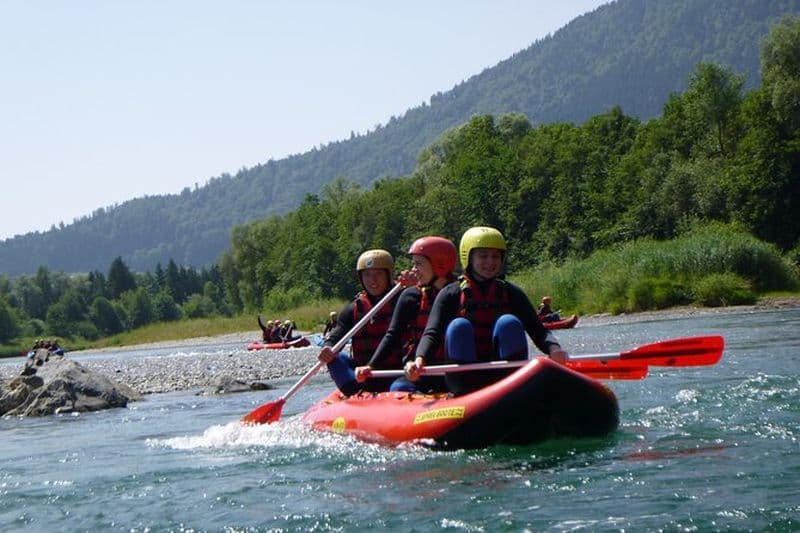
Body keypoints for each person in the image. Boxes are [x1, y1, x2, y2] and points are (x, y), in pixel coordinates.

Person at [406, 226, 567, 395]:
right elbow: (432, 333)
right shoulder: (450, 294)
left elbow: (538, 331)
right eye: (483, 256)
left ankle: (514, 391)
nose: (490, 262)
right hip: (464, 381)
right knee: (458, 326)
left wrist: (554, 349)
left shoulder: (511, 293)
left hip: (505, 378)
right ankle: (465, 394)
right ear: (468, 257)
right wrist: (419, 359)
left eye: (495, 256)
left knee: (509, 323)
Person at [354, 236, 458, 393]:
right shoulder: (411, 296)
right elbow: (393, 335)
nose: (414, 269)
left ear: (439, 265)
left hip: (455, 372)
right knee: (399, 387)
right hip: (419, 372)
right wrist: (371, 366)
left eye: (418, 264)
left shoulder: (461, 294)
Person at [318, 249, 402, 395]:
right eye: (367, 275)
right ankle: (355, 395)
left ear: (389, 275)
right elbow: (336, 337)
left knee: (400, 387)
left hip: (398, 372)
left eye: (378, 274)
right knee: (336, 358)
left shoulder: (405, 300)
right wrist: (327, 347)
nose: (372, 280)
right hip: (363, 376)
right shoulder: (353, 310)